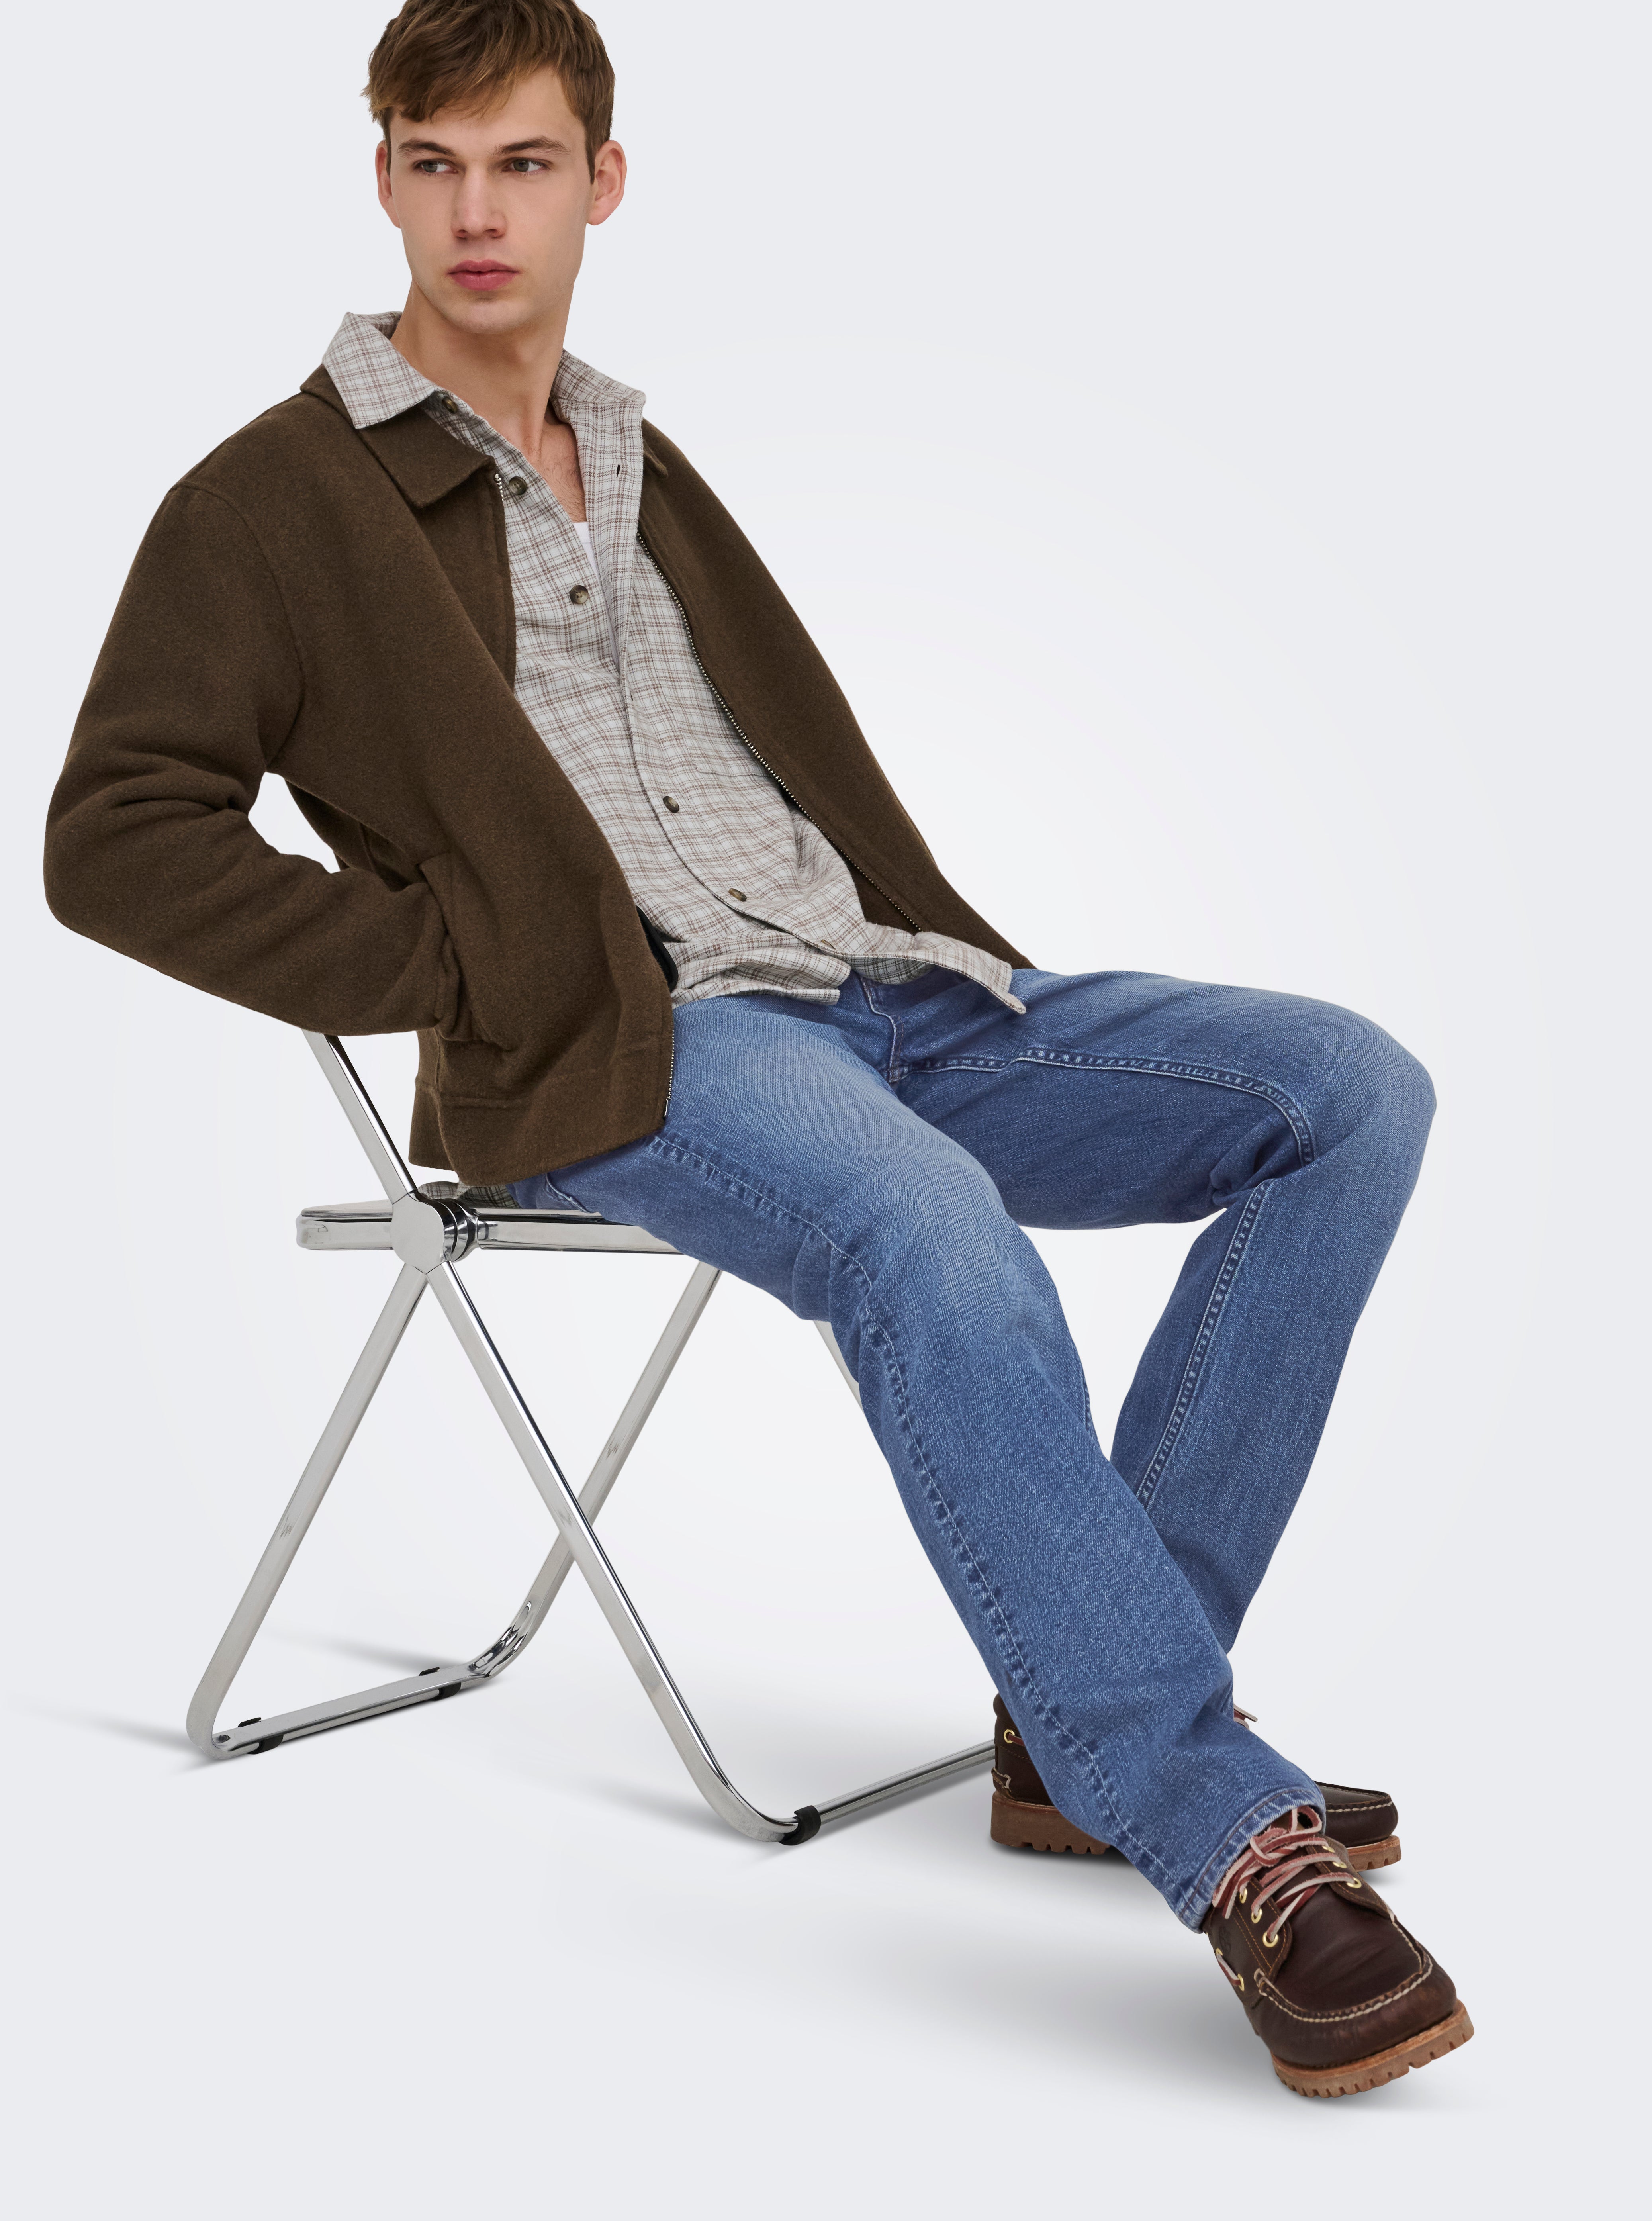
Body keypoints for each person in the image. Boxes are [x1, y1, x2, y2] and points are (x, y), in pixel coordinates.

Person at [43, 0, 1470, 2098]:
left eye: (524, 164)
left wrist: (904, 948)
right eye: (435, 165)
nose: (478, 211)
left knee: (1346, 1093)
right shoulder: (273, 502)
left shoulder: (633, 456)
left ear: (601, 185)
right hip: (626, 1046)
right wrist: (465, 960)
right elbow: (113, 838)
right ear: (384, 186)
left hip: (879, 985)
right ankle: (1206, 1810)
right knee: (933, 1228)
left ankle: (1095, 1716)